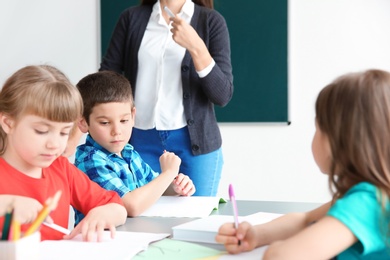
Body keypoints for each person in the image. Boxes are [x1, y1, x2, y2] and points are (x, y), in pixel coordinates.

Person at [216, 69, 390, 259]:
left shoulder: (367, 202)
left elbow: (282, 257)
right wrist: (256, 235)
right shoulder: (374, 194)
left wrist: (276, 249)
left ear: (339, 141)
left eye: (318, 128)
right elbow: (305, 220)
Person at [99, 0, 233, 196]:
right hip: (139, 142)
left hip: (195, 145)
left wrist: (196, 47)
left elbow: (222, 95)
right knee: (142, 220)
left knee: (194, 221)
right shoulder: (131, 18)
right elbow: (106, 78)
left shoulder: (210, 21)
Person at [0, 65, 127, 241]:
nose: (54, 144)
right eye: (42, 131)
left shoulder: (61, 168)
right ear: (8, 123)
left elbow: (117, 207)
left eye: (63, 132)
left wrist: (102, 215)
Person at [74, 70, 196, 221]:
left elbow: (153, 189)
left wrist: (175, 187)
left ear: (132, 116)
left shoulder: (129, 153)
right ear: (83, 123)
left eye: (124, 120)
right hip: (102, 242)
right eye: (105, 123)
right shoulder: (91, 161)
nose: (117, 131)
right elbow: (131, 206)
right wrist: (168, 173)